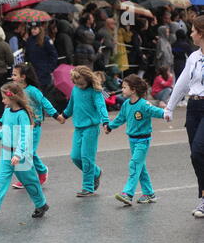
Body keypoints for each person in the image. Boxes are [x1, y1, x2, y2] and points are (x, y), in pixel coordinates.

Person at [0, 82, 50, 221]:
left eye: (4, 98)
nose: (2, 100)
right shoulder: (7, 111)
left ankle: (41, 204)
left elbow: (25, 137)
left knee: (30, 182)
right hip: (6, 154)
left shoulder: (22, 115)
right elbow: (4, 131)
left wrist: (18, 154)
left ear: (13, 97)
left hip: (20, 156)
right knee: (0, 181)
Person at [164, 15, 204, 218]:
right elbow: (181, 83)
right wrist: (169, 107)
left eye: (193, 31)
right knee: (196, 156)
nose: (190, 34)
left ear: (202, 33)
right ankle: (203, 197)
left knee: (199, 151)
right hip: (194, 106)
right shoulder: (194, 57)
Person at [105, 75, 165, 206]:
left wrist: (166, 113)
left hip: (143, 141)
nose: (122, 89)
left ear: (133, 90)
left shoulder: (144, 104)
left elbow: (156, 111)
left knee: (134, 165)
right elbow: (120, 118)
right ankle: (149, 194)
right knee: (140, 167)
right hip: (132, 140)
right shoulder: (126, 104)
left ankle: (128, 194)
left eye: (124, 87)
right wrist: (110, 126)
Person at [57, 65, 109, 196]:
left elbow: (101, 106)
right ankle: (96, 172)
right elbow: (71, 106)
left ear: (89, 80)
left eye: (82, 84)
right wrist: (64, 115)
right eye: (76, 84)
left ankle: (88, 187)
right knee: (75, 157)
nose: (79, 86)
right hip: (78, 128)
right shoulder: (75, 90)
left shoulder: (95, 91)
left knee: (87, 158)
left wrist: (105, 122)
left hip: (91, 128)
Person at [10, 63, 63, 189]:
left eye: (14, 74)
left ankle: (40, 172)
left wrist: (56, 115)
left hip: (34, 127)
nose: (12, 77)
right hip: (21, 127)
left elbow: (44, 102)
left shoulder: (33, 91)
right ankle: (29, 177)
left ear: (23, 77)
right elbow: (10, 106)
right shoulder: (16, 90)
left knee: (29, 153)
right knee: (24, 152)